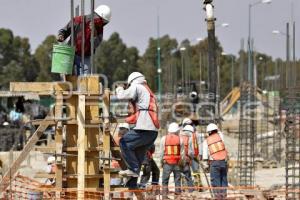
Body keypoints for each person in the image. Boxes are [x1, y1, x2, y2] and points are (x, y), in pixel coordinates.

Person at [116, 72, 159, 189]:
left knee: (124, 142)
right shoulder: (148, 92)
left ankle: (133, 169)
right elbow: (138, 113)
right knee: (137, 156)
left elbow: (121, 96)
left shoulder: (137, 86)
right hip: (152, 131)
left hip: (145, 128)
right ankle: (132, 184)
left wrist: (120, 88)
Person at [57, 5, 111, 75]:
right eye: (103, 21)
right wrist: (61, 35)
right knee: (64, 75)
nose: (103, 24)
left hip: (85, 56)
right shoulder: (78, 20)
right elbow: (65, 30)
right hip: (70, 52)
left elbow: (95, 45)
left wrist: (94, 34)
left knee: (84, 80)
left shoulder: (99, 29)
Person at [202, 123, 228, 199]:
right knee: (223, 180)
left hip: (214, 163)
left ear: (209, 132)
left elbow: (205, 156)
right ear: (216, 130)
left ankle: (218, 197)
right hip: (223, 161)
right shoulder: (221, 137)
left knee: (215, 181)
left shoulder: (206, 141)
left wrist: (206, 166)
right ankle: (224, 196)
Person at [160, 122, 184, 198]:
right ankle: (177, 196)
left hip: (167, 162)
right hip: (177, 162)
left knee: (165, 180)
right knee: (177, 180)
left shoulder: (164, 138)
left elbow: (161, 152)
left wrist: (161, 162)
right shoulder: (180, 139)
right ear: (177, 130)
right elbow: (182, 153)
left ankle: (164, 196)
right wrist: (181, 162)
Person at [180, 125, 194, 192]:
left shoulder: (179, 137)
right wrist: (192, 157)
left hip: (178, 159)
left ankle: (181, 190)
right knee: (188, 175)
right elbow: (190, 152)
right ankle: (191, 190)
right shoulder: (189, 139)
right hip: (186, 159)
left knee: (179, 175)